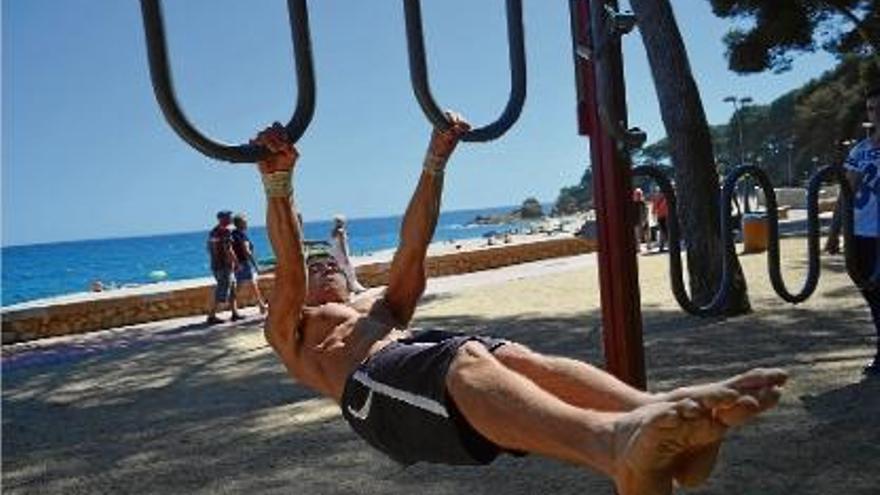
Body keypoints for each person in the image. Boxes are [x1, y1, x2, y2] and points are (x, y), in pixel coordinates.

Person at [253, 117, 787, 494]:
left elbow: (413, 243)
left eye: (330, 262)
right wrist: (278, 183)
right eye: (313, 261)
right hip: (374, 393)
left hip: (416, 358)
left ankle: (655, 417)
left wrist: (435, 159)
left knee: (512, 358)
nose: (322, 266)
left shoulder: (381, 309)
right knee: (465, 363)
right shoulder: (292, 333)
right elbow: (290, 268)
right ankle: (611, 445)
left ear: (348, 278)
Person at [842, 87, 880, 376]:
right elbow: (848, 191)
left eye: (878, 107)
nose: (875, 113)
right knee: (870, 292)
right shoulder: (860, 150)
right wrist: (834, 233)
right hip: (861, 233)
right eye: (870, 108)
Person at [206, 210, 242, 324]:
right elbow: (229, 250)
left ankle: (235, 313)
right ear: (224, 219)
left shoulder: (213, 232)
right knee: (221, 291)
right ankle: (211, 316)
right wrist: (236, 263)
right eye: (229, 217)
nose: (231, 219)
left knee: (232, 289)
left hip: (216, 265)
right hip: (224, 266)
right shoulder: (225, 232)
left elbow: (208, 248)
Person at [232, 213, 269, 315]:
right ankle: (261, 306)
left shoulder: (234, 234)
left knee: (239, 287)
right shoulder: (241, 236)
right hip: (244, 263)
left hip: (237, 264)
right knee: (252, 285)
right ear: (241, 223)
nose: (247, 223)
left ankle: (234, 310)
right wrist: (256, 265)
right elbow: (247, 251)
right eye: (245, 221)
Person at [329, 214, 368, 294]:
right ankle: (355, 288)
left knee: (341, 270)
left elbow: (332, 243)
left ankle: (348, 287)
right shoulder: (341, 231)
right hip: (341, 253)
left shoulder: (333, 232)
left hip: (334, 253)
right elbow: (342, 245)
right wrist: (346, 256)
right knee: (350, 270)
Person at [632, 188, 649, 253]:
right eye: (637, 194)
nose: (638, 196)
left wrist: (644, 220)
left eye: (639, 194)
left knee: (646, 234)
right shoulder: (633, 203)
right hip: (636, 221)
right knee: (637, 235)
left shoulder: (643, 203)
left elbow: (645, 211)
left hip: (643, 220)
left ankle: (648, 246)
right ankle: (638, 247)